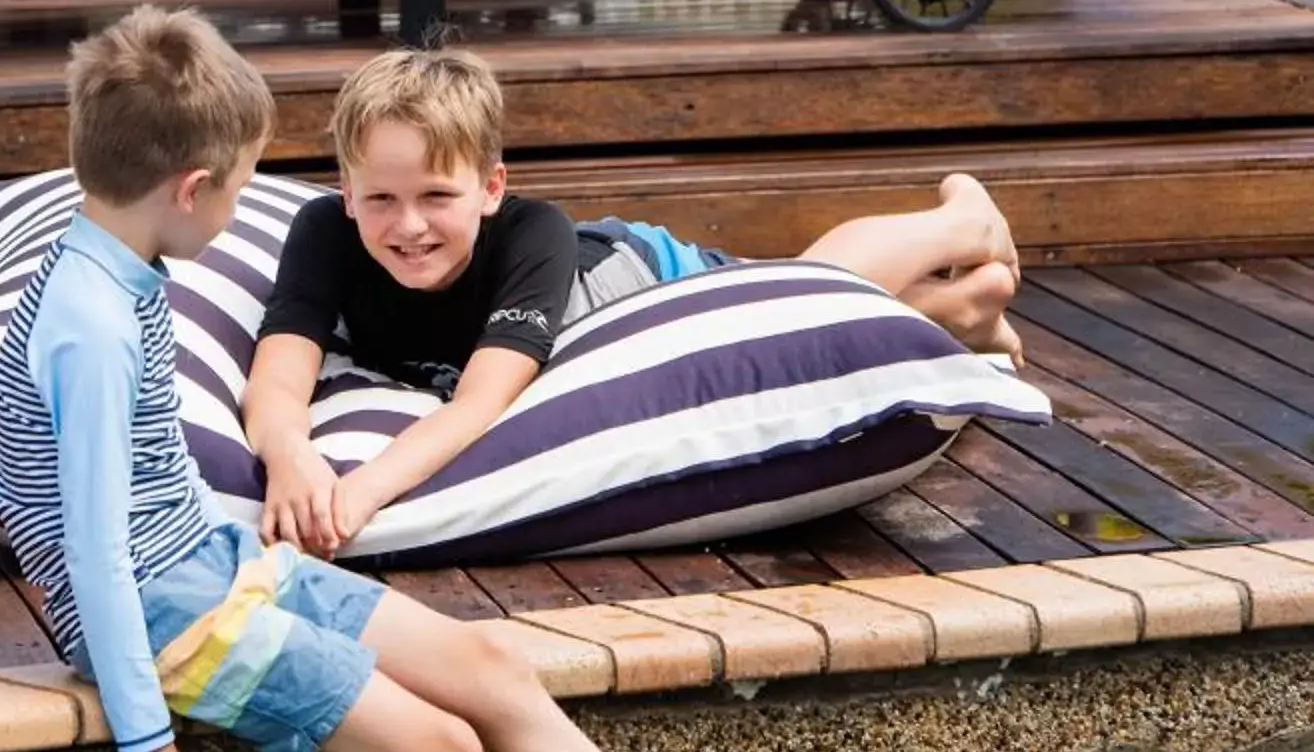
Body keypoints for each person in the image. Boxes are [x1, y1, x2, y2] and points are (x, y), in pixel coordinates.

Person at [0, 3, 731, 752]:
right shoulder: (90, 327)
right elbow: (93, 550)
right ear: (192, 189)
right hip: (165, 617)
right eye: (240, 187)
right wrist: (146, 746)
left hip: (207, 562)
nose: (237, 211)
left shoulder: (120, 278)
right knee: (440, 751)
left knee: (486, 665)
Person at [245, 43, 1024, 559]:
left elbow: (480, 401)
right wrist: (290, 460)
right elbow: (279, 376)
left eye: (436, 195)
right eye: (379, 197)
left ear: (490, 188)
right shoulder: (324, 230)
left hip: (646, 274)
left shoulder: (533, 233)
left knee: (806, 285)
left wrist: (356, 495)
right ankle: (972, 305)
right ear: (344, 191)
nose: (407, 224)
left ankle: (961, 222)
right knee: (927, 313)